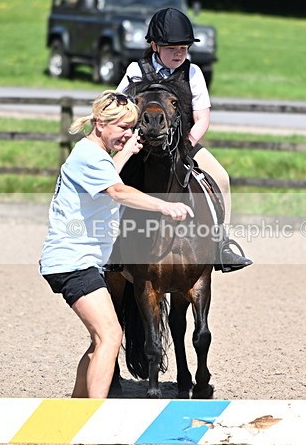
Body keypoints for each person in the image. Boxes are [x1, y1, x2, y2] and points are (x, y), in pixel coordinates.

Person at [39, 90, 193, 399]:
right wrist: (164, 206)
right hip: (73, 263)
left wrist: (124, 154)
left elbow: (107, 173)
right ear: (99, 123)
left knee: (100, 339)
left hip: (79, 262)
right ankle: (95, 416)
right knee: (110, 335)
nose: (128, 134)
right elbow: (118, 191)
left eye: (131, 128)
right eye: (122, 127)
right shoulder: (89, 156)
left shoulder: (92, 154)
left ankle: (77, 409)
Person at [116, 6, 252, 272]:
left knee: (222, 178)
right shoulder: (136, 69)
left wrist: (185, 146)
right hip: (140, 145)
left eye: (184, 48)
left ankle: (221, 244)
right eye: (172, 49)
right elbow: (118, 106)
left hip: (183, 142)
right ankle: (111, 244)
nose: (179, 54)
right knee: (114, 183)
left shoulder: (193, 73)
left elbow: (202, 119)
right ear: (154, 46)